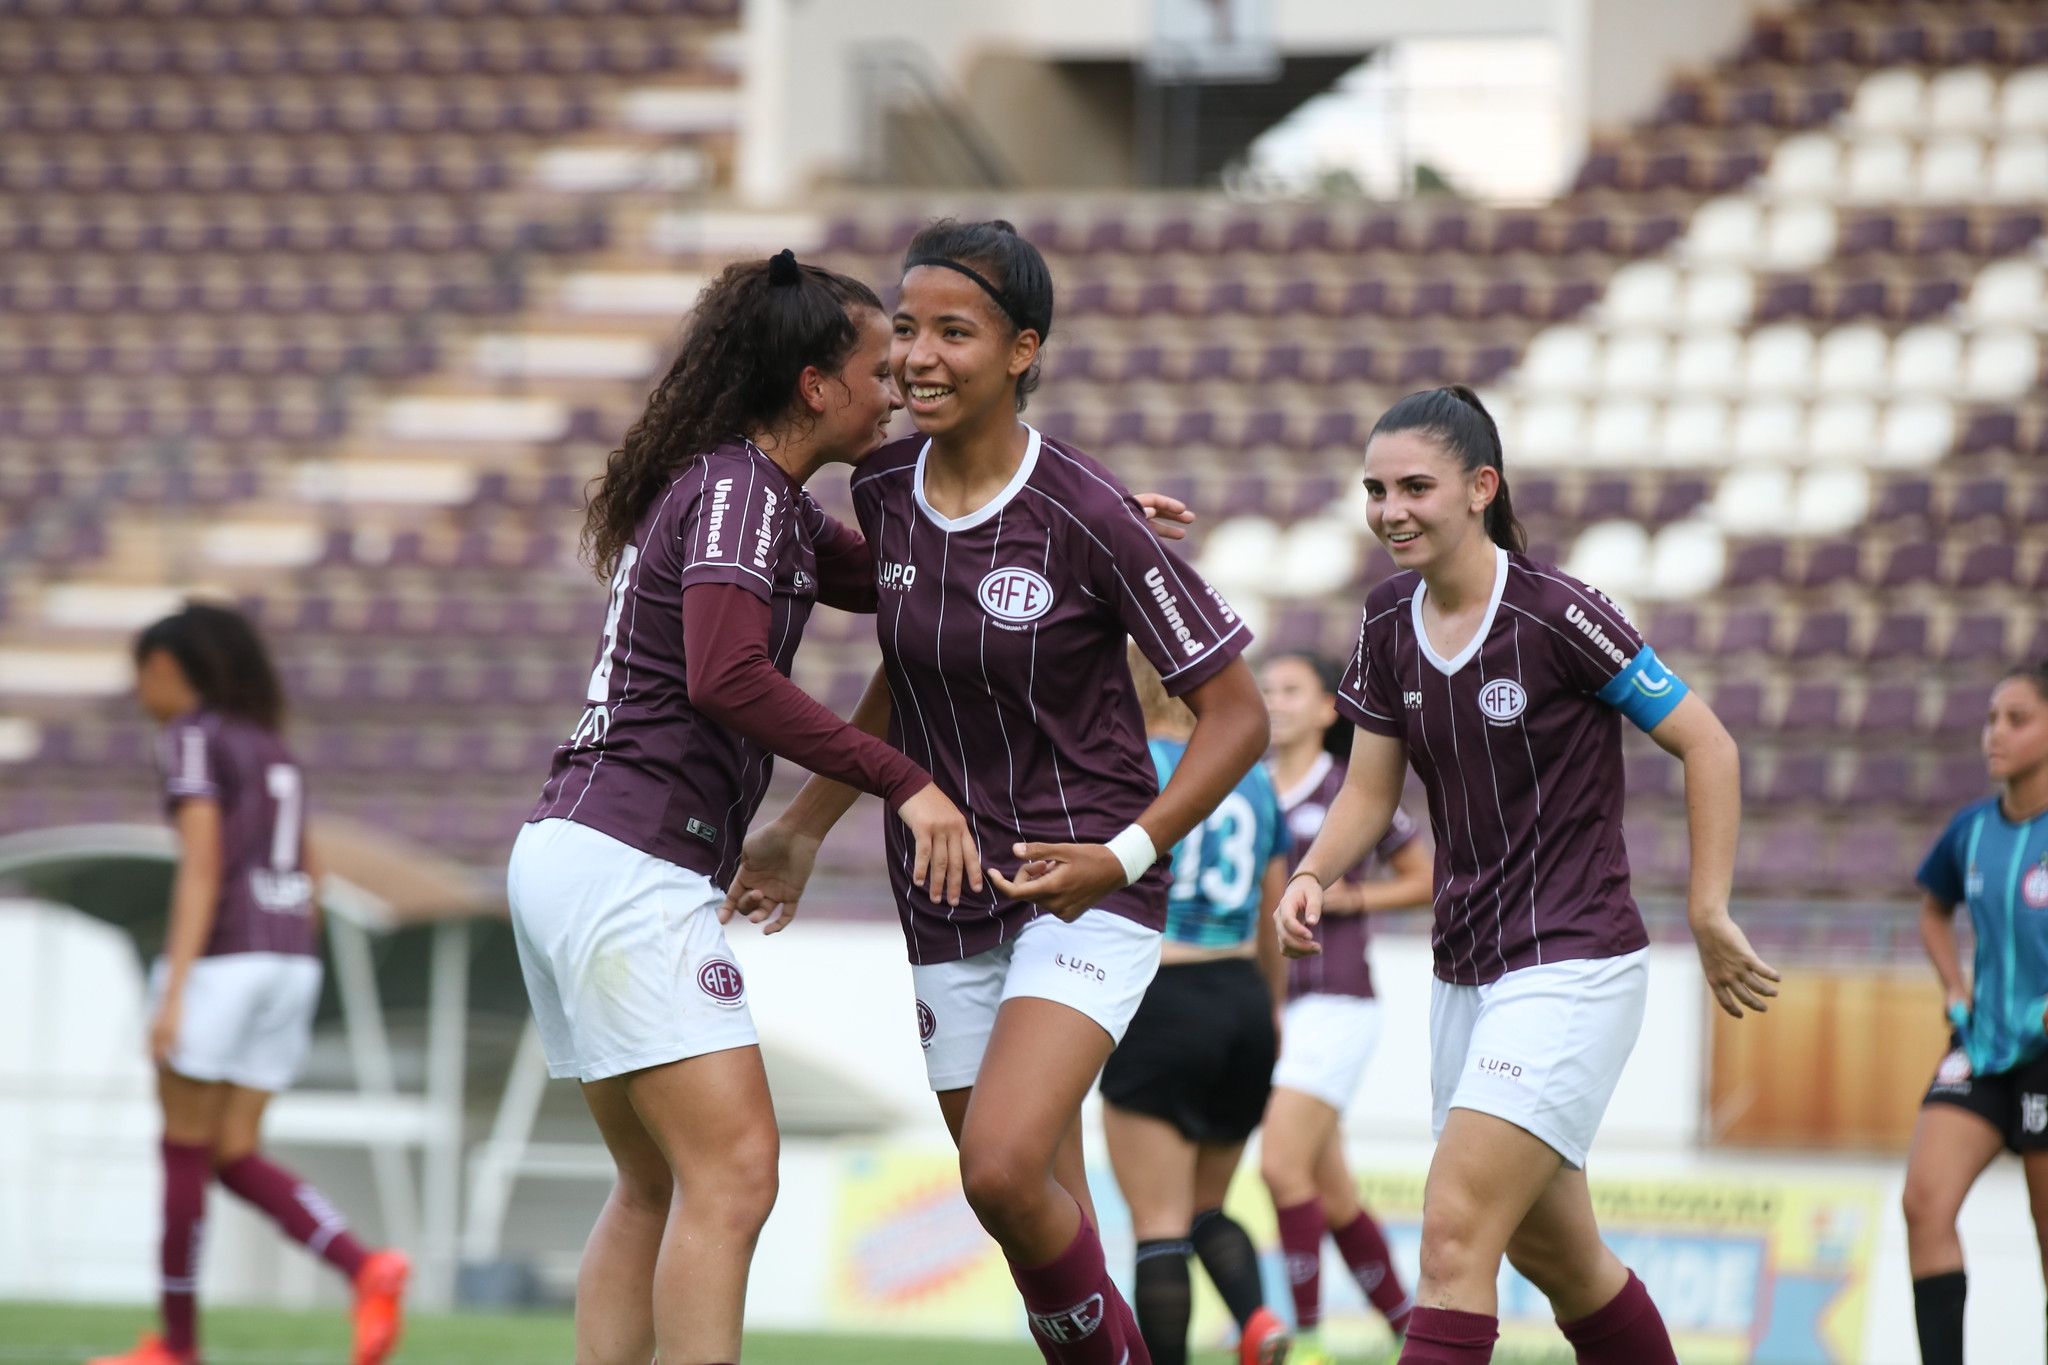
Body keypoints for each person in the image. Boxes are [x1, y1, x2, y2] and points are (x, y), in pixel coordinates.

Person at [726, 218, 1272, 1365]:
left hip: (1083, 887)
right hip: (944, 894)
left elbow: (1238, 715)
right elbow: (907, 668)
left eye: (953, 333)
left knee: (1002, 1164)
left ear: (1023, 349)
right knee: (1027, 1216)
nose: (917, 356)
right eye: (908, 330)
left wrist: (1124, 853)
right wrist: (803, 825)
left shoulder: (1089, 513)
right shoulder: (880, 489)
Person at [510, 251, 985, 1365]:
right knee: (732, 1174)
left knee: (653, 1184)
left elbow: (899, 578)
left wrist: (1070, 523)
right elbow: (723, 678)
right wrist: (901, 779)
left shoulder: (749, 491)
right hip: (626, 863)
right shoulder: (736, 494)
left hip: (584, 853)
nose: (897, 387)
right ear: (816, 385)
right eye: (878, 368)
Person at [1274, 386, 1780, 1365]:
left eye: (1414, 486)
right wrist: (1313, 874)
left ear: (1478, 487)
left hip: (1572, 964)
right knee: (1564, 1260)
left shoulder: (1557, 614)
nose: (1390, 510)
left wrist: (1706, 908)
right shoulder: (1385, 622)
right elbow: (1369, 795)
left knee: (1454, 1228)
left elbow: (1706, 744)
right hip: (1463, 972)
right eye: (1374, 489)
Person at [94, 603, 408, 1365]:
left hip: (225, 957)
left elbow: (202, 865)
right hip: (288, 956)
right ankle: (365, 1267)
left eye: (142, 675)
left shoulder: (194, 736)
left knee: (182, 1150)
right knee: (233, 1151)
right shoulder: (273, 746)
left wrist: (173, 993)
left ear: (166, 669)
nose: (139, 694)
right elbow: (307, 863)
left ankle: (176, 1347)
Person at [1100, 645, 1294, 1365]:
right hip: (1242, 998)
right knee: (1207, 1205)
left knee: (1157, 1224)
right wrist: (1270, 1007)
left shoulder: (1125, 762)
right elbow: (1274, 908)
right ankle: (1259, 1320)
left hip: (1160, 993)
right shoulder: (1253, 778)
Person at [1257, 652, 1432, 1361]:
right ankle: (1410, 1333)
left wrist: (1350, 896)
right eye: (1267, 689)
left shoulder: (1349, 790)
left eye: (1291, 689)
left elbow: (1425, 877)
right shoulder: (1251, 787)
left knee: (1277, 1165)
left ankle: (1304, 1342)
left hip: (1336, 1001)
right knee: (1330, 1194)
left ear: (1330, 707)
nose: (1275, 701)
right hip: (1272, 1007)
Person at [1901, 661, 2048, 1365]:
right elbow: (1934, 908)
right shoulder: (1971, 829)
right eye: (1992, 717)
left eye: (2017, 719)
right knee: (1924, 1203)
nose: (1995, 732)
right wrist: (1954, 984)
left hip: (2047, 1057)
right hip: (1983, 1046)